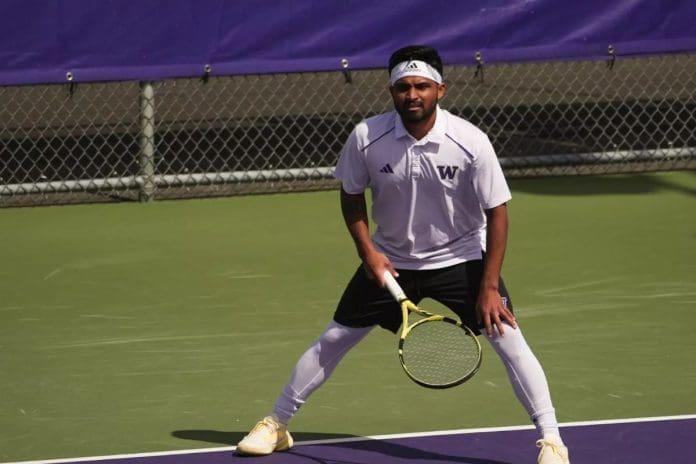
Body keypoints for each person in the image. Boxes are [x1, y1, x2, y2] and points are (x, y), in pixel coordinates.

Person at [236, 45, 570, 464]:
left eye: (422, 87)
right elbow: (351, 196)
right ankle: (277, 424)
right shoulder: (366, 137)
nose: (413, 95)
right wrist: (369, 254)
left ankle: (552, 441)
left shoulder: (470, 142)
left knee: (509, 340)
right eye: (404, 87)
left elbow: (497, 214)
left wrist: (488, 286)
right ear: (392, 91)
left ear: (440, 90)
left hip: (462, 259)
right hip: (391, 262)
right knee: (334, 339)